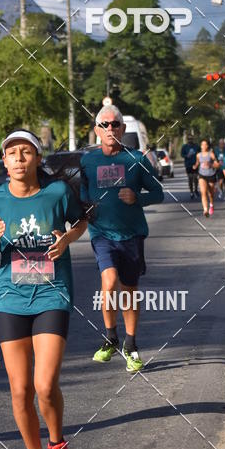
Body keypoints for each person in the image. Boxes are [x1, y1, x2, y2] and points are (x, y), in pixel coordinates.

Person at [0, 129, 87, 449]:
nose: (19, 158)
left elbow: (81, 221)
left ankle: (58, 445)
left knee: (44, 384)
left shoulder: (57, 193)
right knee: (20, 390)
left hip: (52, 295)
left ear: (38, 159)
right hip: (10, 300)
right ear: (4, 162)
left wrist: (67, 238)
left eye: (26, 152)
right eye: (12, 153)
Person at [80, 105, 164, 373]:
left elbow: (158, 193)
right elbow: (81, 194)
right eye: (104, 125)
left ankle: (130, 344)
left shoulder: (136, 159)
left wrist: (137, 197)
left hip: (132, 234)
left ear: (123, 129)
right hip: (102, 233)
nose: (110, 129)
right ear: (96, 131)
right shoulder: (88, 162)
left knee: (128, 291)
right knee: (109, 280)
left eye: (114, 124)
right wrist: (84, 207)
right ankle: (110, 336)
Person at [193, 139, 219, 217]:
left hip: (211, 174)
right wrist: (195, 166)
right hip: (202, 175)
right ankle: (205, 210)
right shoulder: (198, 155)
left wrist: (211, 165)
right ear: (200, 146)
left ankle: (211, 204)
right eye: (202, 144)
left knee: (210, 194)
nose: (203, 146)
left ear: (208, 146)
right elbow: (197, 163)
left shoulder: (211, 154)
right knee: (203, 192)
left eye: (205, 144)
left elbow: (217, 164)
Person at [181, 134, 200, 200]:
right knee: (190, 178)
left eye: (191, 139)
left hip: (195, 164)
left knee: (195, 178)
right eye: (189, 139)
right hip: (188, 165)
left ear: (193, 139)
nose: (190, 140)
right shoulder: (184, 147)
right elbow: (182, 154)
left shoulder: (196, 146)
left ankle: (196, 190)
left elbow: (200, 153)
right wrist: (187, 156)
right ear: (187, 140)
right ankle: (191, 192)